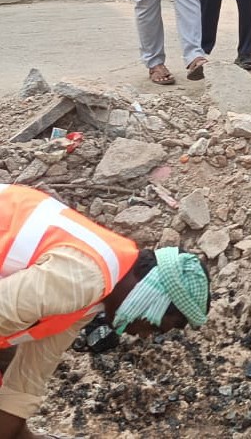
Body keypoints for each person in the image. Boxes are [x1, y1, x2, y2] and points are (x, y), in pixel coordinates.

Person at [0, 185, 209, 437]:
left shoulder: (97, 292)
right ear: (153, 297)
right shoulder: (85, 277)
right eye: (156, 325)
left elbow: (30, 373)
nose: (145, 336)